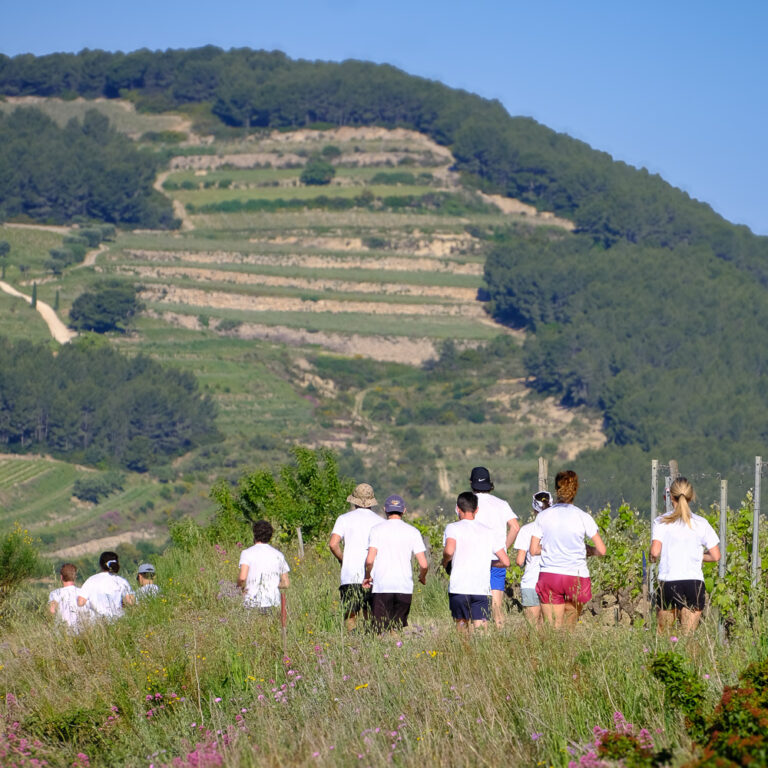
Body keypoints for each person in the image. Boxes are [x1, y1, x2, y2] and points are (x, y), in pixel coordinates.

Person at [529, 471, 606, 628]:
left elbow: (533, 550)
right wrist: (588, 550)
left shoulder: (543, 516)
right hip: (576, 577)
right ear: (575, 490)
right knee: (568, 629)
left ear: (556, 489)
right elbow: (602, 550)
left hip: (550, 575)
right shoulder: (583, 517)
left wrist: (551, 547)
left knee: (552, 628)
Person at [650, 477, 720, 634]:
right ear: (691, 497)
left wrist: (651, 556)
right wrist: (697, 555)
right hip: (694, 583)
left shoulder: (661, 521)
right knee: (688, 636)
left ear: (670, 496)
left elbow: (655, 551)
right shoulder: (701, 523)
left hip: (669, 581)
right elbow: (716, 556)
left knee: (663, 635)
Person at [442, 491, 510, 633]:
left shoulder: (453, 528)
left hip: (459, 587)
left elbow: (449, 551)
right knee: (481, 630)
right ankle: (481, 652)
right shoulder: (489, 531)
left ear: (457, 509)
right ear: (476, 510)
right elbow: (505, 561)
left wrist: (445, 562)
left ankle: (463, 653)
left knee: (461, 627)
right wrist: (489, 564)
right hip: (481, 588)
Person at [363, 494, 428, 633]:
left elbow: (369, 560)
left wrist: (367, 575)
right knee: (396, 629)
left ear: (385, 509)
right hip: (404, 586)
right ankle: (397, 652)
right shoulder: (413, 532)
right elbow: (423, 564)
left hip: (382, 586)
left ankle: (382, 654)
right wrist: (422, 577)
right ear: (404, 511)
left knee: (379, 630)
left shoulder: (376, 530)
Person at [329, 482, 383, 631]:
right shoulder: (381, 522)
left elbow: (333, 544)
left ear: (354, 501)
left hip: (350, 574)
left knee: (350, 614)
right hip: (373, 575)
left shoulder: (344, 519)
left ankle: (351, 643)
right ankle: (369, 642)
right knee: (370, 614)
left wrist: (342, 559)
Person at [470, 466, 519, 628]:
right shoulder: (501, 504)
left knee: (478, 599)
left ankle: (480, 633)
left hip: (476, 558)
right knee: (496, 599)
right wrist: (503, 548)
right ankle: (500, 629)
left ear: (472, 483)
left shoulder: (467, 503)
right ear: (489, 484)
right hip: (497, 558)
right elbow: (515, 527)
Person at [513, 490, 552, 627]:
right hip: (552, 582)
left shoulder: (526, 529)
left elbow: (519, 561)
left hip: (531, 581)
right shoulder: (555, 529)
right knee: (549, 625)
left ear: (534, 509)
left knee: (533, 626)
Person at [237, 520, 290, 612]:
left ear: (254, 534)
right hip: (273, 601)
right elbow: (286, 583)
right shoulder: (278, 555)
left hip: (252, 601)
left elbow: (242, 578)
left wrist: (239, 588)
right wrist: (273, 584)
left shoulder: (247, 553)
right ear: (270, 536)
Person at [77, 551, 135, 620]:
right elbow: (131, 602)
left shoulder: (91, 580)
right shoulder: (121, 581)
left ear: (101, 565)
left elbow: (80, 602)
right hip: (118, 621)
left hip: (97, 623)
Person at [49, 563, 85, 632]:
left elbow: (52, 611)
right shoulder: (82, 592)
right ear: (75, 577)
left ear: (61, 577)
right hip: (81, 631)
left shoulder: (55, 593)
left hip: (61, 631)